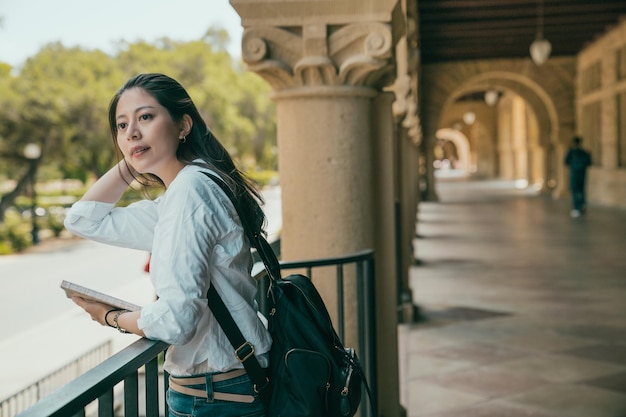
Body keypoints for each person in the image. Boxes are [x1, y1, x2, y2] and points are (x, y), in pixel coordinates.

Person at [64, 73, 271, 417]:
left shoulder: (190, 192)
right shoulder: (194, 185)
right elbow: (84, 219)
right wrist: (134, 158)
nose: (131, 132)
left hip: (215, 396)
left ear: (183, 125)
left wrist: (111, 316)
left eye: (145, 117)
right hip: (227, 388)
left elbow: (176, 321)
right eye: (121, 125)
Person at [564, 136, 592, 218]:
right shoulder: (584, 152)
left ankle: (576, 207)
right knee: (581, 190)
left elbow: (566, 162)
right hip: (582, 173)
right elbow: (589, 163)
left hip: (574, 174)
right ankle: (582, 205)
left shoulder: (571, 152)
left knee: (575, 190)